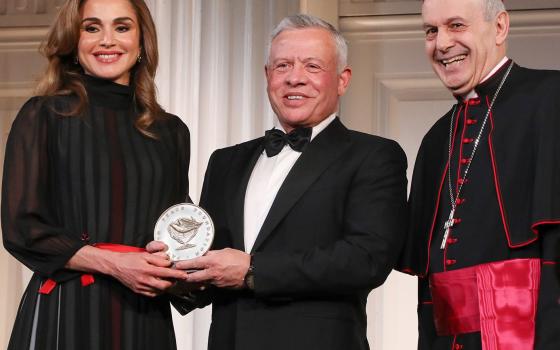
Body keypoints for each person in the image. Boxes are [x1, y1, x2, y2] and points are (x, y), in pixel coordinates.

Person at [151, 14, 408, 350]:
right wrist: (176, 272)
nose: (295, 78)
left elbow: (366, 260)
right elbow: (212, 267)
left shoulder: (373, 156)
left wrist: (252, 270)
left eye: (312, 66)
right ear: (267, 76)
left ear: (342, 80)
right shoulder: (225, 161)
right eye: (283, 66)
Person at [1, 0, 190, 349]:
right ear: (73, 41)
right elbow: (22, 228)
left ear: (142, 42)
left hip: (143, 316)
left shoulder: (171, 132)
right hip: (67, 310)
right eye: (91, 27)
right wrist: (114, 264)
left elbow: (177, 224)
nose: (107, 40)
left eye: (122, 27)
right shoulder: (42, 116)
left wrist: (179, 268)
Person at [398, 0, 560, 349]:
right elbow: (429, 289)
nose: (441, 43)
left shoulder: (551, 99)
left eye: (456, 25)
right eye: (431, 30)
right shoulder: (437, 137)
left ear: (500, 27)